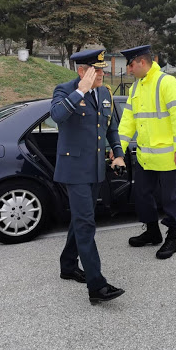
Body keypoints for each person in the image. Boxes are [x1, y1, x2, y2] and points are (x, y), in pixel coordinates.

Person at [51, 49, 126, 304]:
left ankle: (68, 265)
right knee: (86, 223)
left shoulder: (104, 93)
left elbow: (110, 126)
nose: (103, 74)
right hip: (74, 170)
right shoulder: (65, 90)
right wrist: (80, 90)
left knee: (82, 218)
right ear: (83, 71)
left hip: (95, 169)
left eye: (104, 70)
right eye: (98, 70)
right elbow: (57, 116)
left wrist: (117, 153)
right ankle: (97, 286)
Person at [117, 45, 176, 260]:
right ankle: (152, 232)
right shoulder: (136, 87)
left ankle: (172, 238)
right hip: (144, 156)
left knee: (170, 198)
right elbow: (128, 121)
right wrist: (118, 150)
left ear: (141, 62)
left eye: (130, 65)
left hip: (168, 155)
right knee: (141, 195)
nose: (129, 70)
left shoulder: (166, 82)